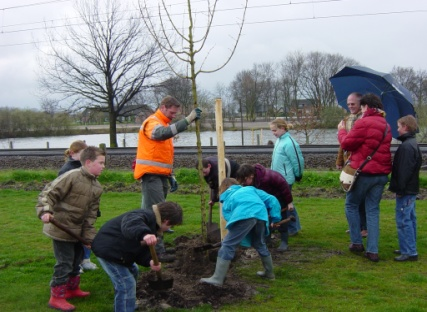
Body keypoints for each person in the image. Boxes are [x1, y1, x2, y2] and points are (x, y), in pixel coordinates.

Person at [36, 146, 105, 312]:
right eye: (101, 163)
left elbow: (91, 215)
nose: (103, 166)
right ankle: (57, 297)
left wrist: (88, 237)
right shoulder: (71, 176)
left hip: (78, 232)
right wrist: (45, 211)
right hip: (61, 228)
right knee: (64, 263)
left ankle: (72, 289)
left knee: (77, 261)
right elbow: (48, 194)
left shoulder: (97, 187)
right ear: (88, 162)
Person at [133, 95, 200, 261]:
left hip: (160, 175)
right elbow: (160, 135)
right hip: (151, 175)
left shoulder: (163, 123)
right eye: (172, 112)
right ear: (163, 107)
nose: (173, 116)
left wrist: (170, 175)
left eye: (175, 114)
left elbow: (161, 156)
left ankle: (152, 245)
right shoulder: (153, 122)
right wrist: (188, 120)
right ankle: (157, 251)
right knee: (157, 213)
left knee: (154, 211)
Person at [92, 202, 183, 312]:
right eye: (170, 226)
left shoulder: (153, 226)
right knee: (126, 284)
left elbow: (139, 250)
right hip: (109, 251)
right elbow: (131, 223)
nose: (169, 228)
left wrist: (149, 261)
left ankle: (128, 302)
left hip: (121, 251)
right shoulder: (144, 215)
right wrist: (144, 234)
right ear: (166, 221)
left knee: (134, 270)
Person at [337, 93, 392, 262]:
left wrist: (341, 131)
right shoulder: (386, 125)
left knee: (351, 204)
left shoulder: (363, 122)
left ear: (366, 106)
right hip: (381, 174)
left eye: (361, 107)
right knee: (373, 210)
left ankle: (356, 242)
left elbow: (346, 144)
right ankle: (372, 250)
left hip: (364, 172)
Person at [200, 178, 281, 286]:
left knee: (228, 244)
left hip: (244, 215)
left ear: (223, 188)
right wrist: (275, 218)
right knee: (259, 243)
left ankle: (217, 279)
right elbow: (272, 199)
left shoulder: (227, 198)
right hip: (261, 215)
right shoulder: (251, 189)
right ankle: (269, 274)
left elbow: (231, 219)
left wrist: (236, 237)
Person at [58, 140, 98, 272]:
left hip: (85, 208)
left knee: (86, 234)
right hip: (73, 210)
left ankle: (85, 260)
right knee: (75, 238)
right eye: (82, 153)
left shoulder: (85, 167)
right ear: (72, 153)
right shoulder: (67, 170)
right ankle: (76, 264)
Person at [236, 163, 294, 252]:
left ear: (251, 175)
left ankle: (284, 241)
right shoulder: (250, 183)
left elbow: (284, 186)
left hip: (279, 198)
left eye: (244, 180)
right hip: (265, 200)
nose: (243, 183)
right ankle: (267, 240)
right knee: (266, 219)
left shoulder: (267, 177)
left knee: (281, 218)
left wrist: (289, 202)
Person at [389, 115, 422, 262]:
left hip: (406, 189)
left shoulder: (406, 147)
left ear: (405, 127)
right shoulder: (412, 143)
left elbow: (404, 171)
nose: (397, 129)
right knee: (410, 218)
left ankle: (409, 251)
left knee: (403, 220)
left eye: (399, 126)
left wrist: (400, 189)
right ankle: (408, 247)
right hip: (411, 188)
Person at [336, 92, 367, 238]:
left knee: (359, 198)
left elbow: (349, 141)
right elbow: (343, 143)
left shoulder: (363, 120)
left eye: (352, 104)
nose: (350, 106)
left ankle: (363, 227)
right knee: (353, 195)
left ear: (361, 104)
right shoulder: (347, 119)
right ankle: (356, 226)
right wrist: (340, 160)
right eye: (348, 104)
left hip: (359, 163)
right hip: (350, 162)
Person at [269, 118, 303, 236]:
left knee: (286, 203)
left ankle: (293, 228)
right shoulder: (279, 140)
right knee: (283, 203)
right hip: (277, 178)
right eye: (272, 131)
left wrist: (298, 175)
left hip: (285, 179)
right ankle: (290, 226)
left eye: (275, 130)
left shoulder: (289, 142)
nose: (273, 133)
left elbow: (297, 161)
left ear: (282, 128)